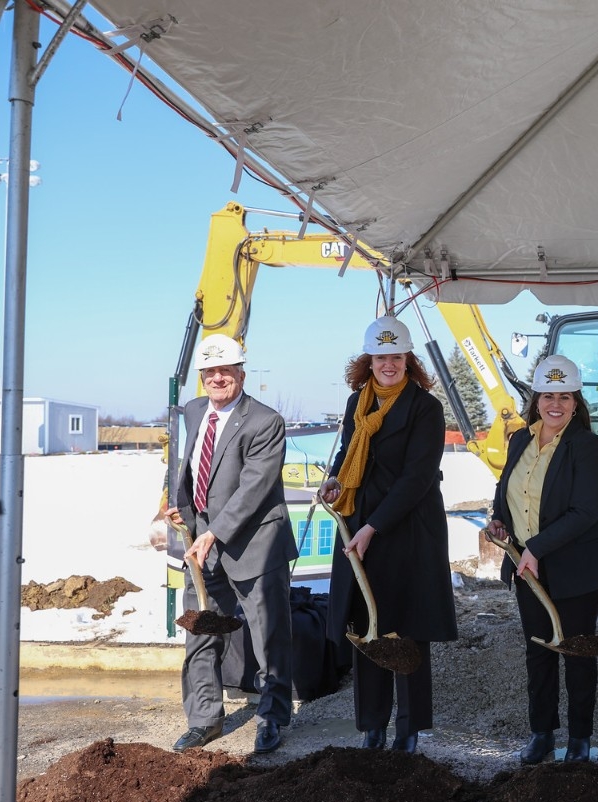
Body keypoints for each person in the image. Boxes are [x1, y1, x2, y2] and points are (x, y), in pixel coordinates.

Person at [317, 316, 458, 754]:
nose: (389, 364)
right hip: (362, 525)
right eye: (381, 357)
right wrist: (336, 481)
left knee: (407, 629)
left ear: (407, 360)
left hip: (408, 531)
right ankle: (373, 726)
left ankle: (409, 730)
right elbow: (347, 453)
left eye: (396, 356)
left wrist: (375, 526)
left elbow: (417, 478)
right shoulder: (356, 403)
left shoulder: (425, 408)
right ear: (369, 361)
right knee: (368, 624)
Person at [485, 355, 598, 764]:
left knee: (576, 650)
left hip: (577, 566)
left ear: (576, 401)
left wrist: (535, 550)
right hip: (530, 566)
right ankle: (541, 733)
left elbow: (584, 511)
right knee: (539, 650)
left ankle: (580, 739)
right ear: (537, 398)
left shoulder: (587, 446)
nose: (555, 404)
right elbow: (505, 487)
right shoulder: (520, 440)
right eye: (548, 395)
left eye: (564, 396)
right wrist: (498, 520)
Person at [166, 333, 296, 754]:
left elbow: (253, 488)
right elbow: (185, 465)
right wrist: (179, 509)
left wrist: (214, 532)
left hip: (255, 544)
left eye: (225, 370)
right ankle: (204, 720)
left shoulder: (265, 421)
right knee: (201, 631)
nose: (217, 378)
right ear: (201, 377)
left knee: (268, 637)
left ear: (242, 372)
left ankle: (272, 719)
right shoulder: (192, 410)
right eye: (210, 372)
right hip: (201, 544)